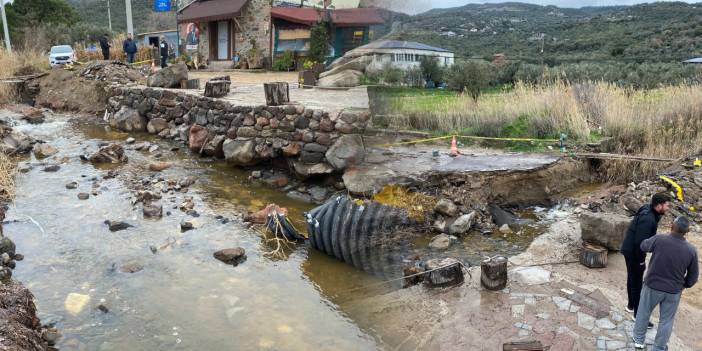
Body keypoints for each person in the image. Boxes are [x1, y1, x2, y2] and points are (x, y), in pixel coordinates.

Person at [633, 216, 698, 350]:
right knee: (666, 321)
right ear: (687, 231)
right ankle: (659, 347)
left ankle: (639, 341)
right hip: (673, 291)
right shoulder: (691, 250)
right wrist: (684, 285)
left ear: (671, 226)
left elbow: (643, 245)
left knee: (643, 312)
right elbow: (693, 276)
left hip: (652, 285)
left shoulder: (659, 239)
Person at [620, 193, 671, 324]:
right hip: (634, 252)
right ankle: (638, 316)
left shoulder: (647, 209)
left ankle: (631, 306)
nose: (668, 208)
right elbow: (640, 243)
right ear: (659, 205)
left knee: (631, 278)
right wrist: (641, 260)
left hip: (629, 249)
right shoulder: (648, 219)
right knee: (637, 283)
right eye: (667, 205)